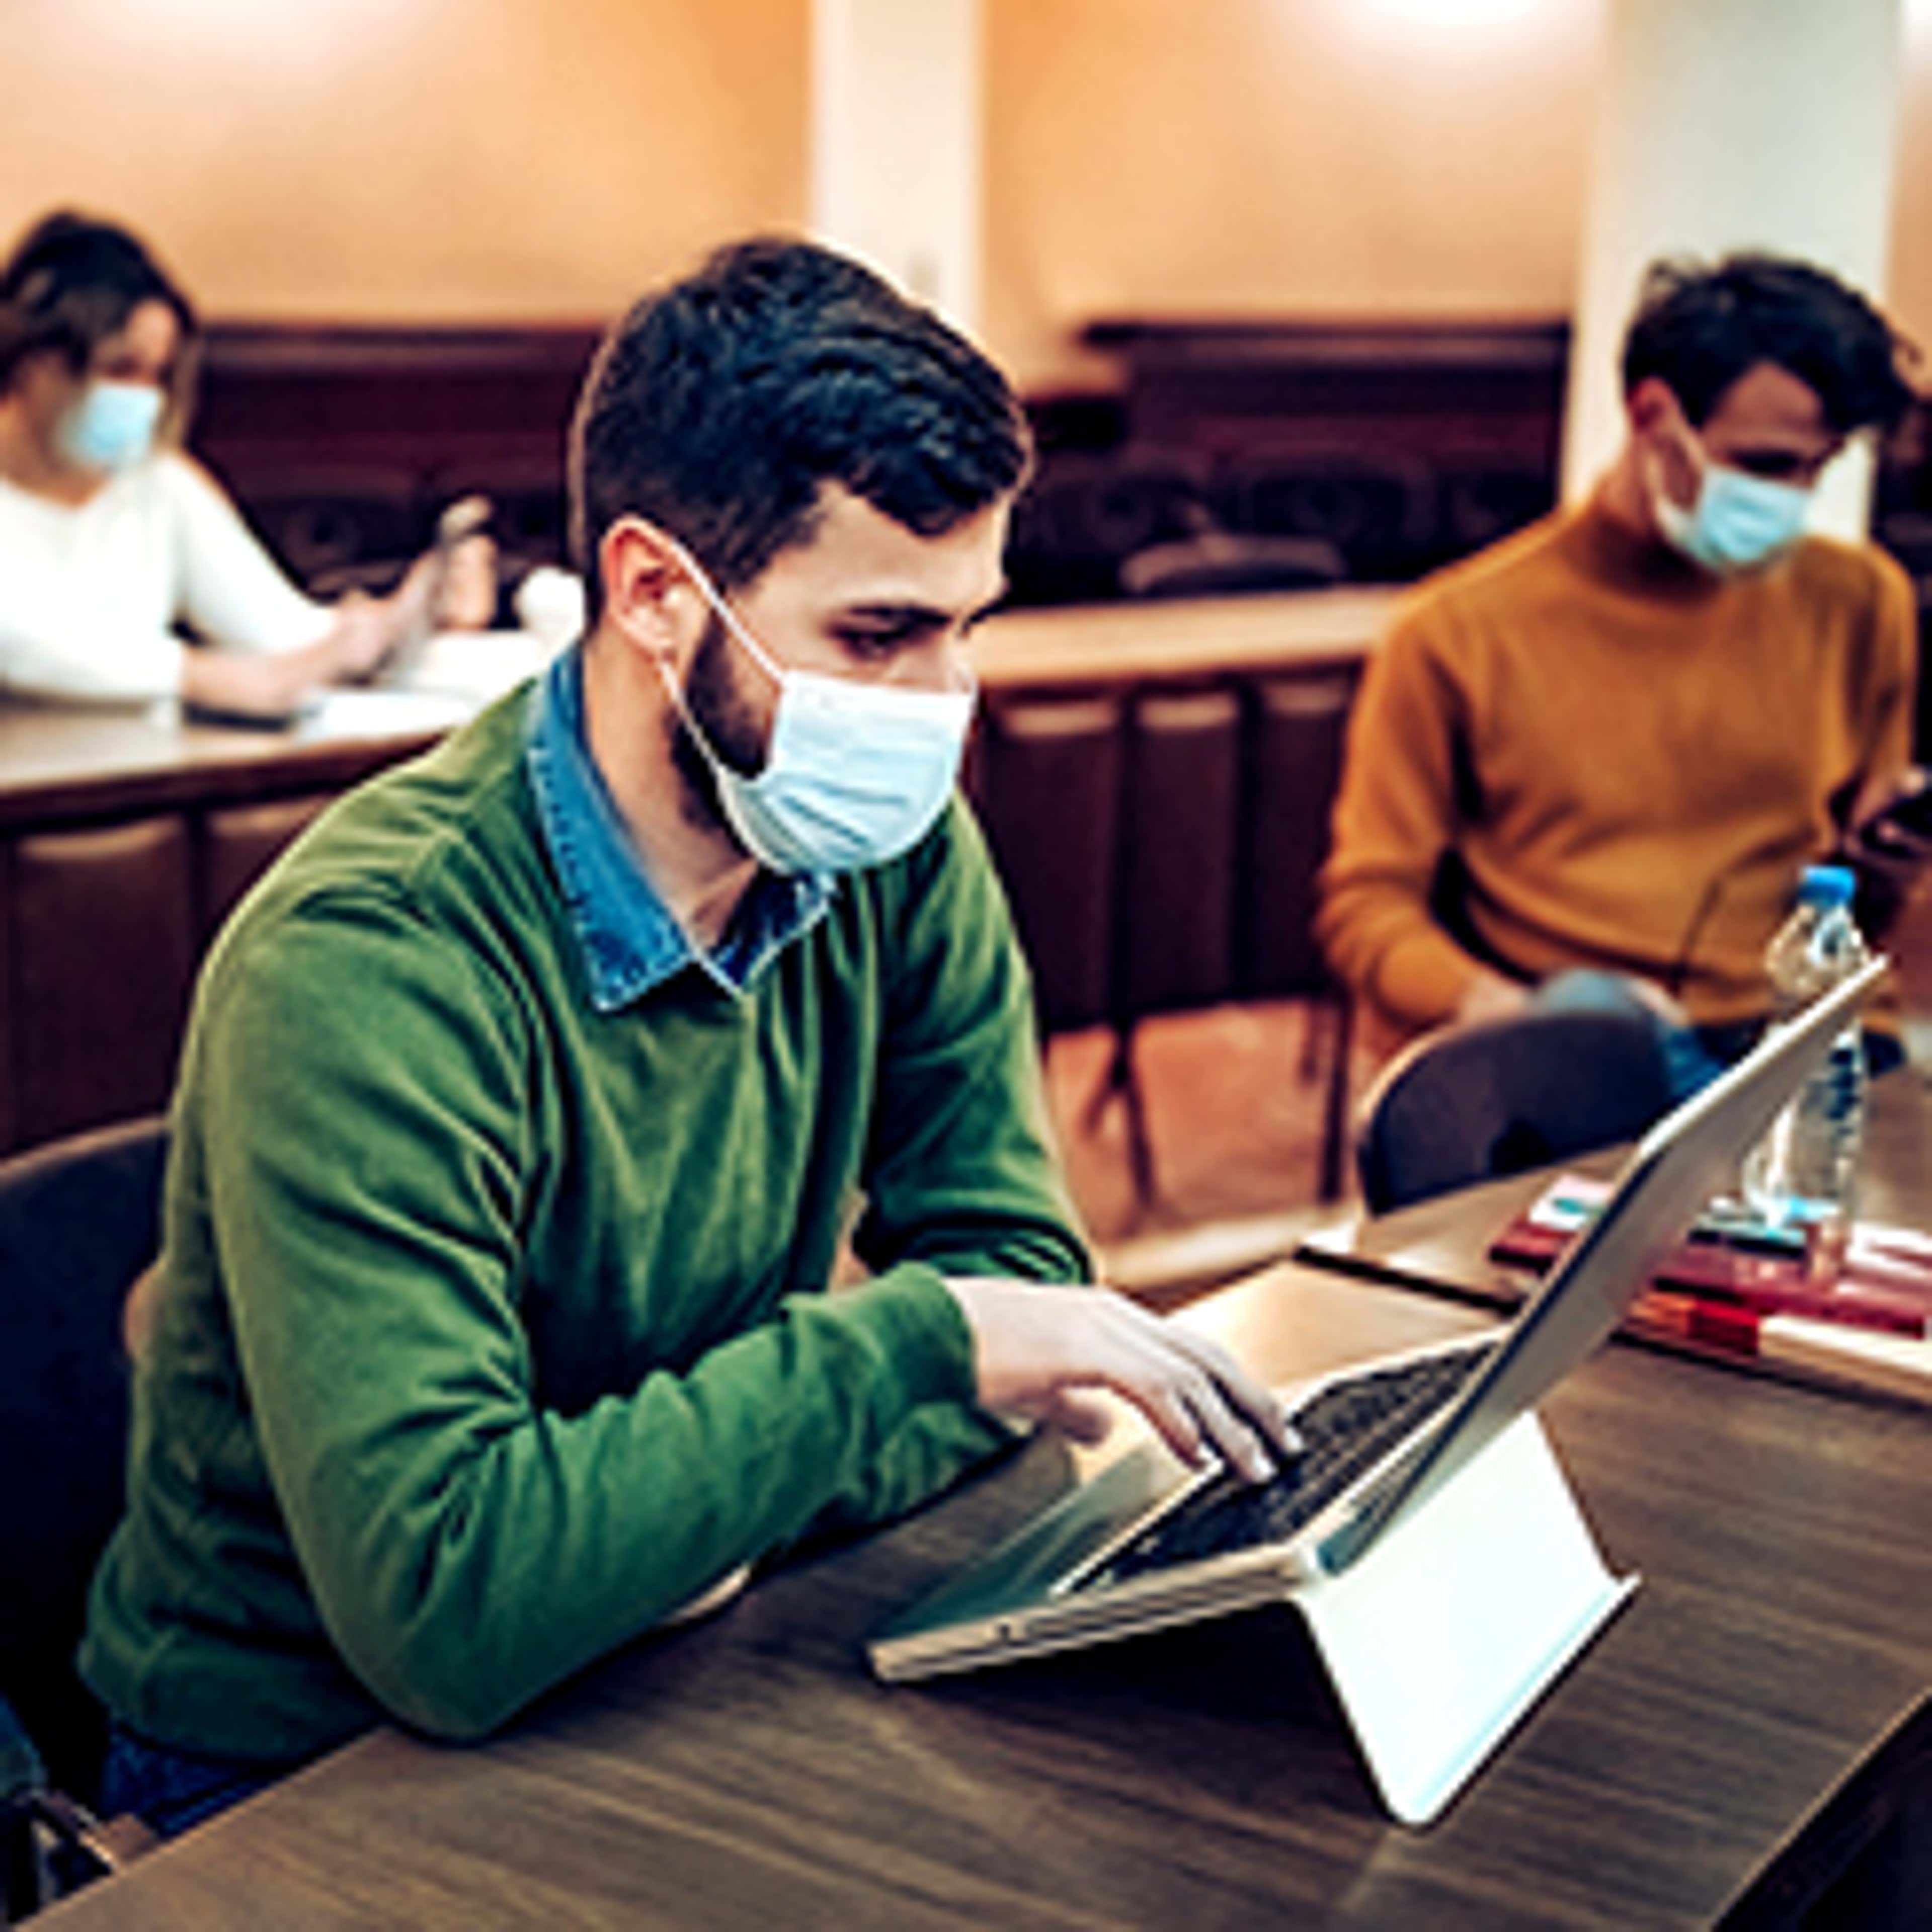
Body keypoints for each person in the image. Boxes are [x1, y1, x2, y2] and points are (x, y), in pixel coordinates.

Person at [79, 236, 1293, 1836]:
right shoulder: (373, 956)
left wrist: (672, 1517)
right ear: (657, 592)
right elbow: (454, 1607)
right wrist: (902, 1354)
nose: (945, 706)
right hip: (288, 1767)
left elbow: (1027, 1301)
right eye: (877, 636)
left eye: (967, 626)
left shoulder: (884, 842)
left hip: (668, 1658)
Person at [1317, 253, 1925, 1093]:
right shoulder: (1455, 633)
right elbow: (1367, 909)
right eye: (1766, 465)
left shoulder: (1862, 601)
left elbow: (1866, 905)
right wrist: (1507, 1015)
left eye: (1818, 468)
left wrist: (1891, 873)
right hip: (1585, 1051)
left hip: (1799, 1041)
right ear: (1652, 418)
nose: (1797, 499)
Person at [0, 211, 494, 716]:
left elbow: (281, 635)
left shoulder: (160, 484)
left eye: (158, 375)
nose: (142, 397)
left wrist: (405, 616)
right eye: (120, 369)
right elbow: (20, 646)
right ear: (33, 359)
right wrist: (200, 678)